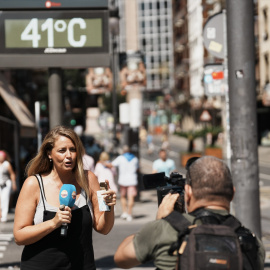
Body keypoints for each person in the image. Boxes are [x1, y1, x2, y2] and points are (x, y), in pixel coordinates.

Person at [114, 156, 265, 269]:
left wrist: (161, 220)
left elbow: (121, 258)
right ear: (232, 194)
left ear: (188, 192)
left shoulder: (165, 231)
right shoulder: (252, 242)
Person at [13, 125, 116, 270]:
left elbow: (103, 228)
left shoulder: (89, 179)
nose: (69, 155)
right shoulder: (34, 184)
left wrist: (109, 207)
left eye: (73, 149)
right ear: (49, 154)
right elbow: (19, 236)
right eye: (62, 150)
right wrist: (54, 223)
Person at [111, 145, 139, 221]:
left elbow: (112, 164)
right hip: (132, 180)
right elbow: (137, 169)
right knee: (131, 197)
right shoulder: (135, 159)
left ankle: (124, 212)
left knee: (123, 196)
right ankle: (129, 214)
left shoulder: (121, 158)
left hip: (123, 180)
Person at [0, 150, 17, 222]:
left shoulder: (7, 164)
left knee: (5, 199)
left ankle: (4, 216)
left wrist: (14, 183)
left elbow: (12, 174)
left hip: (6, 184)